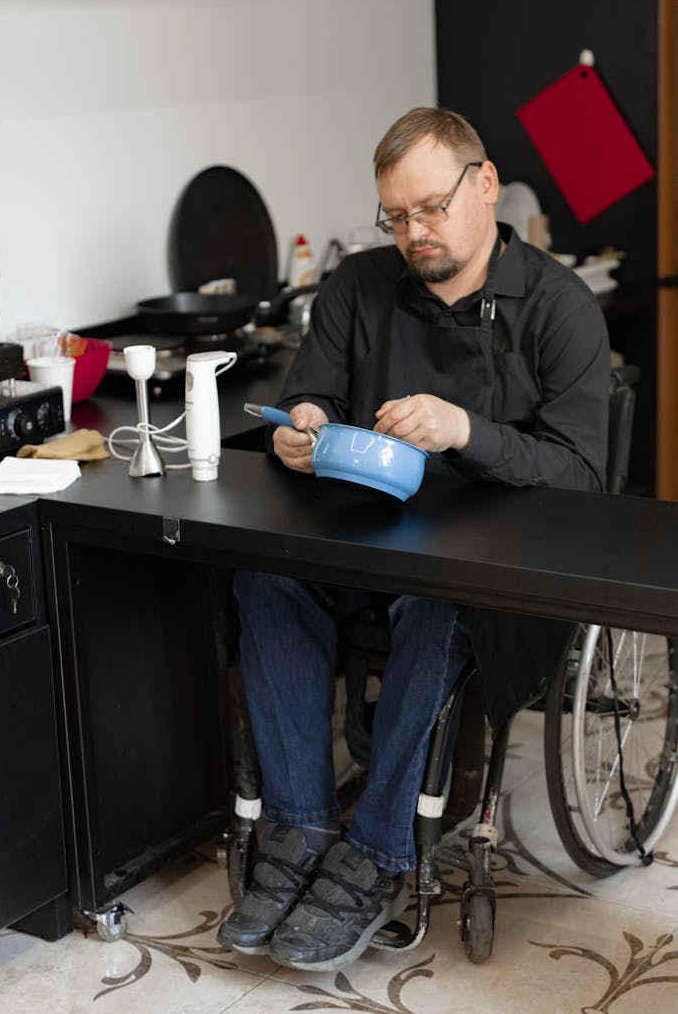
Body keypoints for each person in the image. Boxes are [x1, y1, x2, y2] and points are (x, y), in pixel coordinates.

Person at [218, 107, 610, 971]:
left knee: (439, 604)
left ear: (484, 183)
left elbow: (584, 478)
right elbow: (312, 391)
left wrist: (466, 430)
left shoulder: (559, 306)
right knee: (265, 577)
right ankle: (299, 827)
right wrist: (304, 425)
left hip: (500, 567)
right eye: (395, 217)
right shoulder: (358, 288)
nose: (414, 233)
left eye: (431, 208)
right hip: (367, 539)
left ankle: (378, 853)